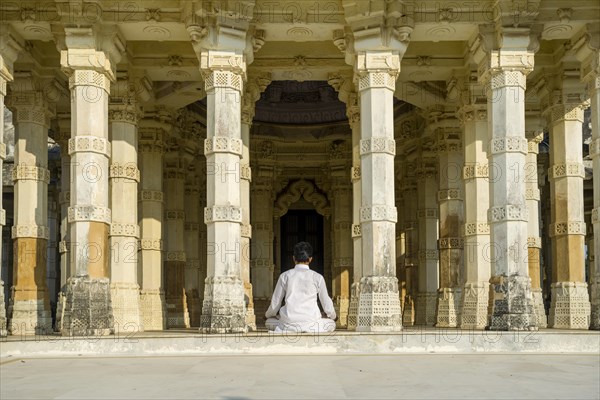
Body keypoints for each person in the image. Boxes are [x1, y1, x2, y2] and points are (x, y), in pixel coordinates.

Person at [265, 241, 337, 333]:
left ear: (293, 258)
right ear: (310, 259)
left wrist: (267, 315)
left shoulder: (285, 276)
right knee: (331, 323)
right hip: (312, 325)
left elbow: (275, 303)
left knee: (269, 322)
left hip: (288, 325)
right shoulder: (318, 277)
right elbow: (326, 303)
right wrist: (334, 317)